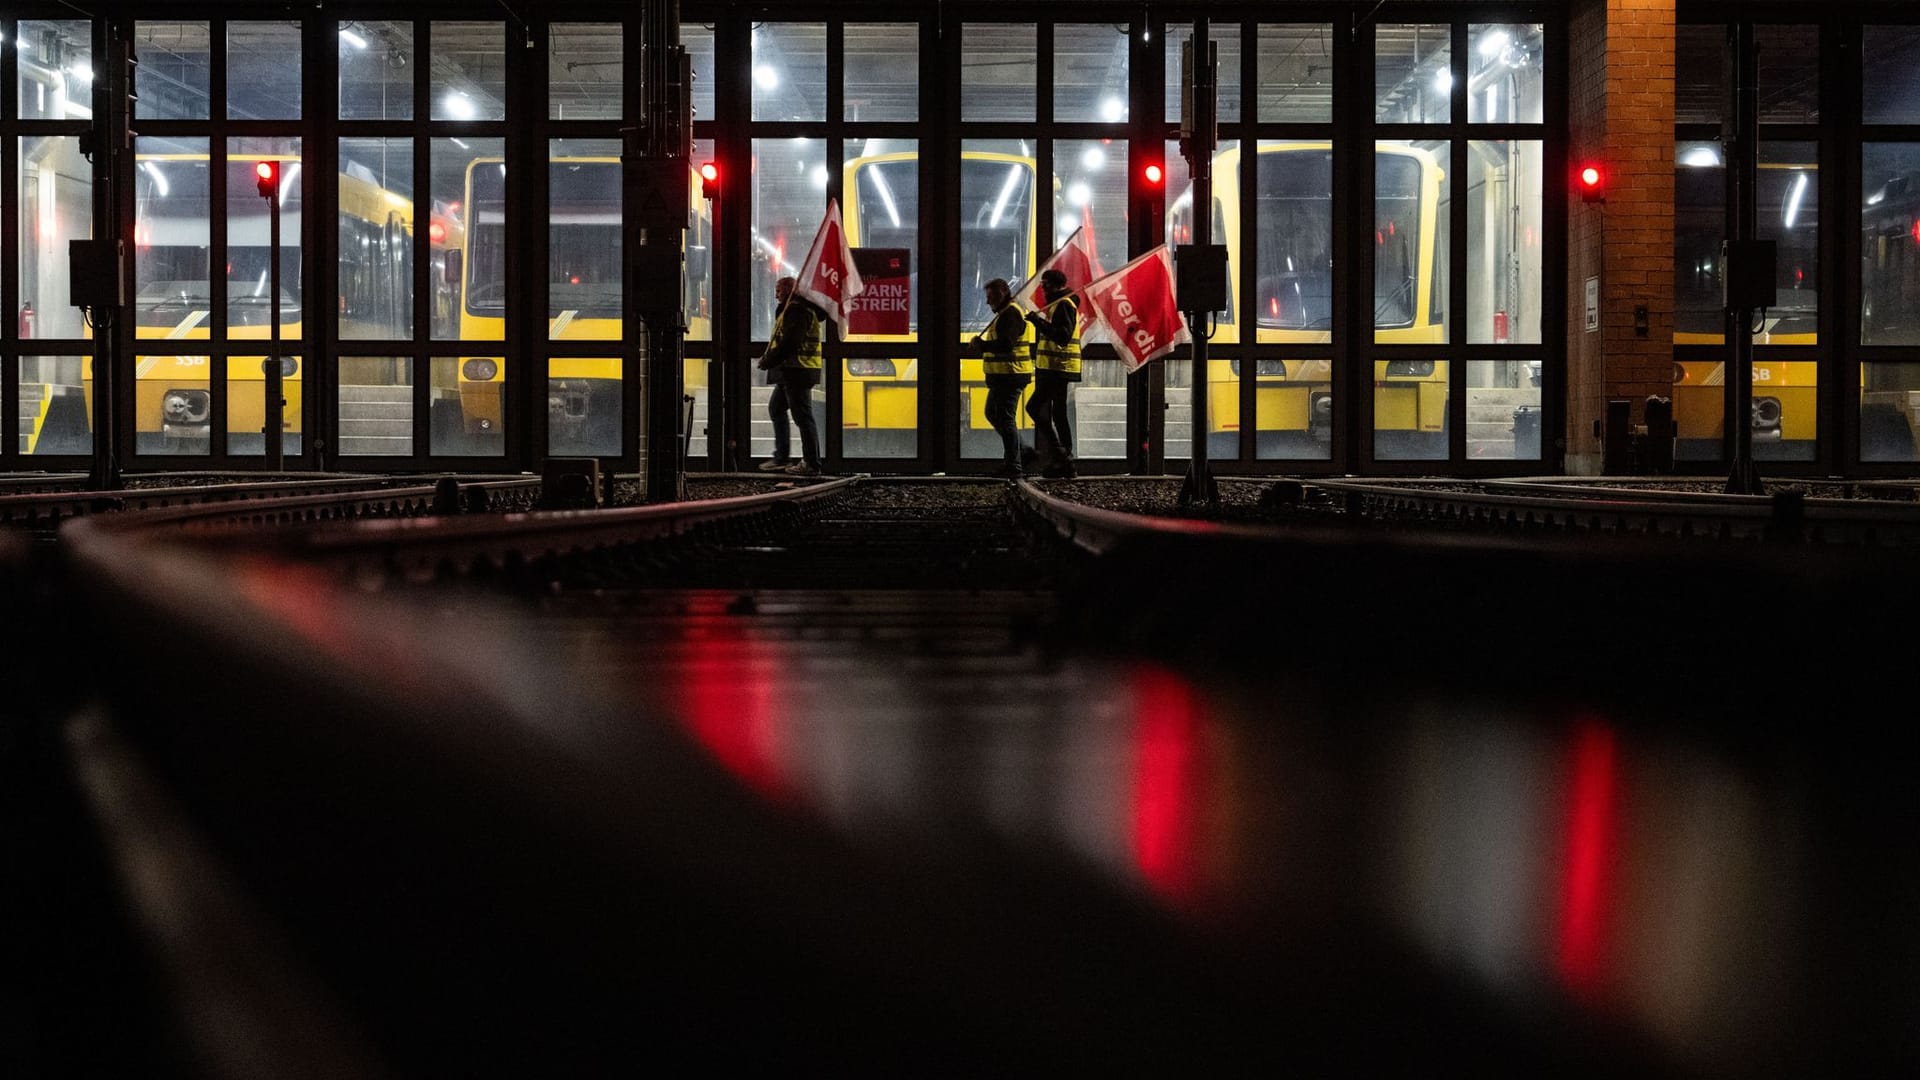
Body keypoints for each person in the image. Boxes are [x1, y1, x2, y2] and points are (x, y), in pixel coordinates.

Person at [756, 276, 824, 476]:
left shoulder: (797, 310)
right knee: (777, 408)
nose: (776, 294)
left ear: (788, 291)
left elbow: (790, 342)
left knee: (803, 418)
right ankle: (782, 456)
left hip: (798, 371)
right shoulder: (793, 309)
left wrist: (768, 361)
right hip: (792, 372)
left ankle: (811, 464)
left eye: (778, 290)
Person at [972, 278, 1032, 478]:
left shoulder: (1010, 314)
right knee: (993, 413)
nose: (988, 302)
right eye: (987, 297)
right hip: (1004, 376)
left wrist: (982, 346)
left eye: (991, 297)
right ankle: (1021, 452)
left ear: (1004, 292)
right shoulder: (1004, 314)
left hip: (1011, 375)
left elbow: (1006, 345)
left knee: (1005, 418)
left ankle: (1014, 465)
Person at [1024, 268, 1080, 478]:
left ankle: (1061, 455)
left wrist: (1037, 322)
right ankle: (1065, 460)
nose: (1042, 288)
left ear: (1055, 285)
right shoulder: (1059, 304)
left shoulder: (1063, 304)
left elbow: (1062, 336)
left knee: (1034, 407)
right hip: (1056, 368)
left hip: (1058, 368)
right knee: (1058, 413)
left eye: (1045, 284)